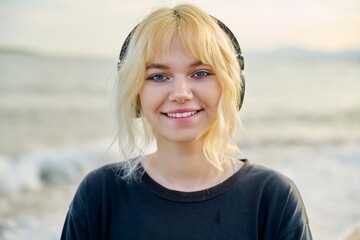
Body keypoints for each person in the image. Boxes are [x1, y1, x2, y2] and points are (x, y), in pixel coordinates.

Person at [61, 4, 312, 240]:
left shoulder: (272, 196)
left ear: (230, 86)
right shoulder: (101, 193)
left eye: (200, 73)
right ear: (135, 93)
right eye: (158, 76)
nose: (181, 93)